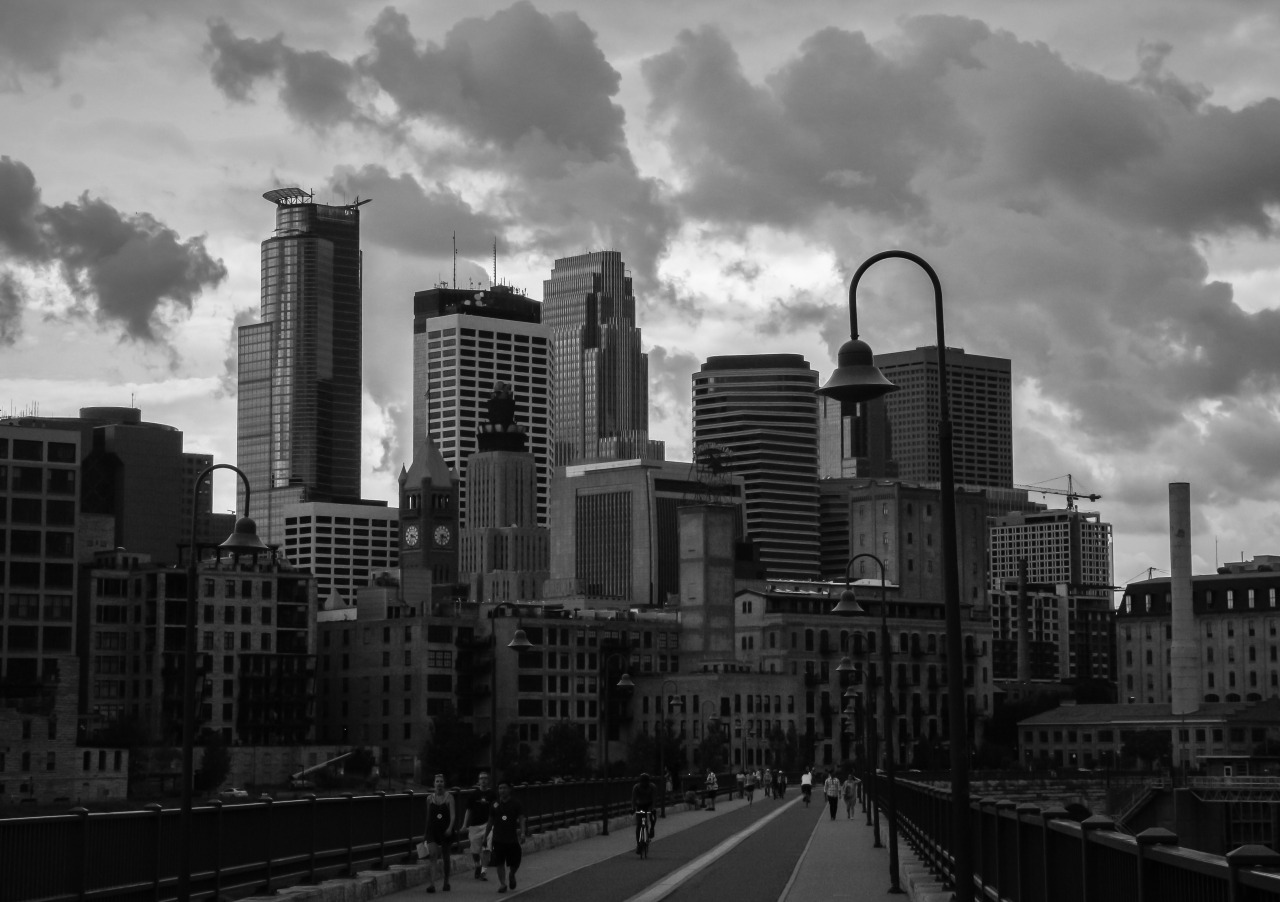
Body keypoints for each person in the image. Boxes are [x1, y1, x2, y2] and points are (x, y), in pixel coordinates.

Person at [484, 781, 526, 894]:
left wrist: (522, 833)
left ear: (509, 789)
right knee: (499, 862)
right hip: (498, 839)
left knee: (515, 861)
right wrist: (485, 837)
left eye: (504, 788)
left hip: (512, 839)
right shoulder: (494, 804)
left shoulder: (516, 804)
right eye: (500, 788)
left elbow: (521, 818)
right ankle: (503, 884)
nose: (502, 790)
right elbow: (490, 822)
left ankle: (512, 874)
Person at [423, 773, 457, 893]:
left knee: (445, 856)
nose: (439, 784)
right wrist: (425, 833)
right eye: (437, 781)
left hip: (445, 831)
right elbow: (428, 816)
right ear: (434, 784)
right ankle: (432, 884)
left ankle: (446, 881)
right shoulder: (429, 799)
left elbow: (453, 816)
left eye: (441, 781)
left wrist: (450, 828)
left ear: (444, 783)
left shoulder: (449, 798)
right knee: (432, 855)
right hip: (432, 831)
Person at [460, 771, 497, 881]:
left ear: (488, 780)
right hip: (475, 825)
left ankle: (483, 872)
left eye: (485, 778)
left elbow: (496, 808)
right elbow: (468, 810)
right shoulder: (473, 795)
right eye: (481, 778)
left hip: (488, 825)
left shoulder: (492, 795)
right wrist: (464, 825)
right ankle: (477, 865)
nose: (483, 780)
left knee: (486, 849)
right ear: (478, 780)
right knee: (475, 851)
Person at [632, 772, 657, 854]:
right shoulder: (636, 787)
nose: (644, 784)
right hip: (640, 805)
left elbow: (653, 799)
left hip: (649, 804)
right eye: (642, 782)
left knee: (653, 816)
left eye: (646, 782)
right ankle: (639, 844)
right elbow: (633, 799)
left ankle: (652, 828)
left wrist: (653, 808)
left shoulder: (652, 787)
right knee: (639, 824)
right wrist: (633, 808)